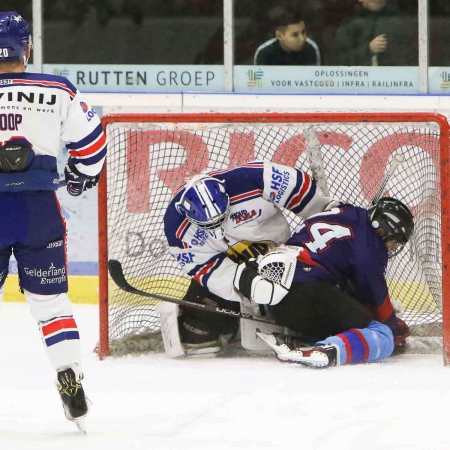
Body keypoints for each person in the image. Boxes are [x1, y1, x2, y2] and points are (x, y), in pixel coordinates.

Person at [0, 11, 106, 428]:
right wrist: (80, 178)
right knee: (50, 305)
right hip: (37, 210)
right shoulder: (55, 88)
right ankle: (68, 374)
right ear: (27, 49)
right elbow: (93, 143)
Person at [162, 160, 337, 357]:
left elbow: (303, 191)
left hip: (285, 255)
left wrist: (330, 222)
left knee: (315, 305)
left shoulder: (254, 178)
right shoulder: (175, 226)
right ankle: (231, 323)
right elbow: (206, 268)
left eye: (221, 219)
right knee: (198, 333)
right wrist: (248, 283)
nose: (217, 230)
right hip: (234, 265)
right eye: (208, 225)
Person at [233, 197, 414, 368]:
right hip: (308, 292)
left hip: (276, 296)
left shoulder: (345, 212)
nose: (392, 247)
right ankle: (328, 351)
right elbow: (375, 295)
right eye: (394, 241)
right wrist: (392, 328)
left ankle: (300, 340)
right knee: (382, 335)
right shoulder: (371, 245)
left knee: (347, 319)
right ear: (382, 229)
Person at [333, 0, 418, 66]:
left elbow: (410, 59)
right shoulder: (349, 24)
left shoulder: (398, 24)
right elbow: (339, 61)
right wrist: (368, 50)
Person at [254, 10, 321, 66]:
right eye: (295, 35)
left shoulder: (311, 48)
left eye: (303, 32)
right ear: (279, 36)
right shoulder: (264, 52)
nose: (302, 39)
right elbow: (258, 81)